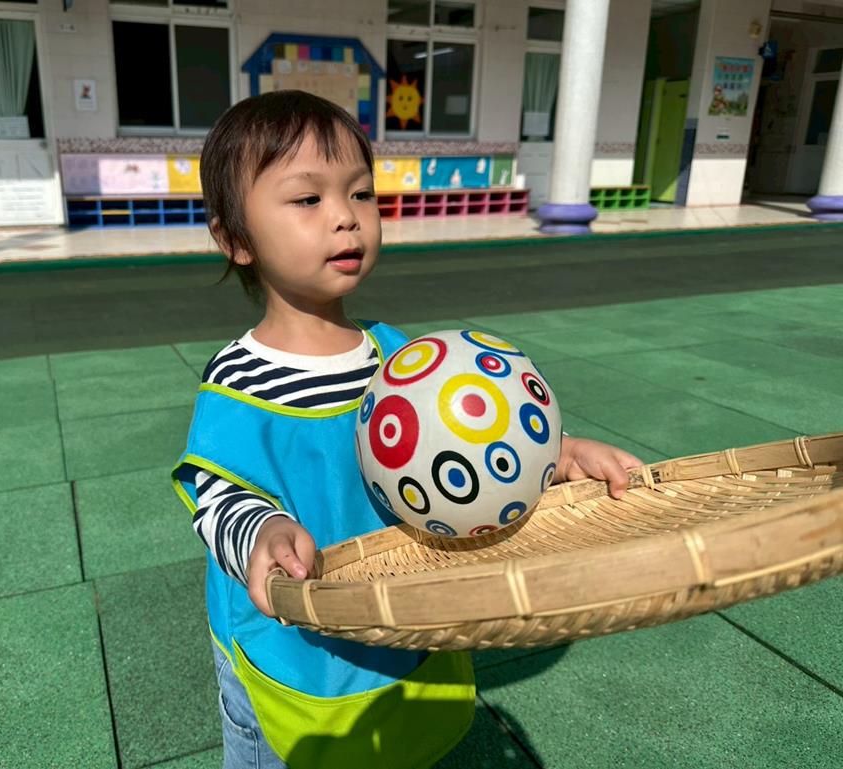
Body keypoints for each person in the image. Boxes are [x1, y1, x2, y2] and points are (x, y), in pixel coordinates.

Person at [172, 90, 642, 769]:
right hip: (290, 647)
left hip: (400, 628)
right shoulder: (238, 379)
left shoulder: (403, 358)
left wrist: (556, 456)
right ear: (235, 240)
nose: (345, 216)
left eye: (361, 193)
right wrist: (261, 531)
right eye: (308, 199)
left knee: (401, 747)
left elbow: (474, 447)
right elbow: (217, 493)